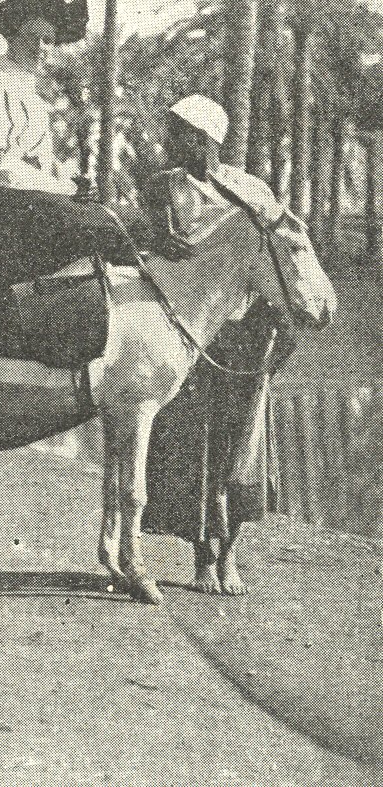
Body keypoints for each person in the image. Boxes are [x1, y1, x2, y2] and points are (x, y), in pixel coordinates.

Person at [143, 94, 295, 594]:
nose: (172, 142)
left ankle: (230, 553)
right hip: (191, 331)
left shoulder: (252, 191)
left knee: (242, 446)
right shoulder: (165, 188)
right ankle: (204, 556)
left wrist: (284, 325)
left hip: (248, 330)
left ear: (207, 140)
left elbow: (279, 258)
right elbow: (164, 249)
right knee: (195, 444)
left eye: (182, 134)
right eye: (172, 132)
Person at [0, 0, 128, 305]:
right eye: (32, 38)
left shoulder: (33, 97)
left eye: (48, 41)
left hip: (29, 200)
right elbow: (0, 168)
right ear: (12, 37)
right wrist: (64, 189)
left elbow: (41, 164)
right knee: (103, 227)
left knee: (107, 219)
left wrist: (69, 184)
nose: (40, 48)